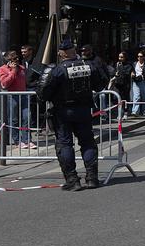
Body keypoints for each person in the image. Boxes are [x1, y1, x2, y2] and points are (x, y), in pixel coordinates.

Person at [37, 39, 107, 191]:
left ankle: (72, 180)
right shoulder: (89, 66)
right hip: (83, 110)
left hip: (63, 112)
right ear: (74, 51)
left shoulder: (58, 70)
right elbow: (101, 85)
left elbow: (43, 93)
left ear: (62, 54)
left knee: (64, 144)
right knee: (87, 142)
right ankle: (92, 178)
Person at [0, 48, 33, 149]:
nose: (17, 60)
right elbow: (5, 83)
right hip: (12, 96)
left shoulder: (22, 68)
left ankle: (27, 140)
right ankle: (17, 141)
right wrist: (13, 71)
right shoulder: (2, 69)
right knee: (13, 119)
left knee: (27, 117)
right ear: (9, 61)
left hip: (23, 95)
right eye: (14, 59)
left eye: (17, 58)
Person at [130, 50, 145, 117]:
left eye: (141, 56)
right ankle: (135, 111)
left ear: (144, 57)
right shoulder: (134, 63)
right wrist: (132, 74)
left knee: (144, 97)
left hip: (143, 81)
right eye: (138, 56)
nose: (139, 58)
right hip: (136, 81)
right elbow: (132, 71)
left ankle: (144, 111)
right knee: (136, 97)